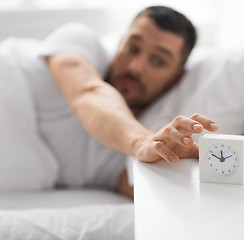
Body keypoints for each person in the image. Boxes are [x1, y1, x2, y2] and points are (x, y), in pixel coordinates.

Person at [22, 6, 218, 198]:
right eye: (132, 48)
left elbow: (144, 189)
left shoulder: (131, 149)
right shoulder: (79, 42)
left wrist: (175, 168)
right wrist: (142, 142)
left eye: (157, 61)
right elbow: (87, 93)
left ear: (176, 78)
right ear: (120, 42)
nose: (135, 67)